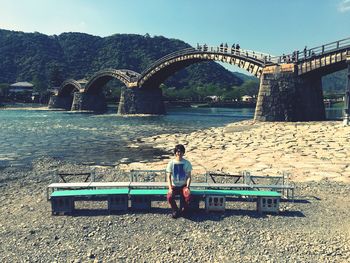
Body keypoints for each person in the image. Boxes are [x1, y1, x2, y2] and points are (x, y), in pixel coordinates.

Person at [166, 144, 192, 219]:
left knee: (188, 196)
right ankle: (175, 210)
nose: (179, 153)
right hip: (174, 186)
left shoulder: (187, 163)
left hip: (183, 186)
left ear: (183, 153)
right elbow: (168, 177)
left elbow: (189, 177)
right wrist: (170, 188)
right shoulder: (171, 163)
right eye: (177, 151)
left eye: (181, 152)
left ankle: (184, 210)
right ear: (175, 152)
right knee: (169, 197)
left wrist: (187, 187)